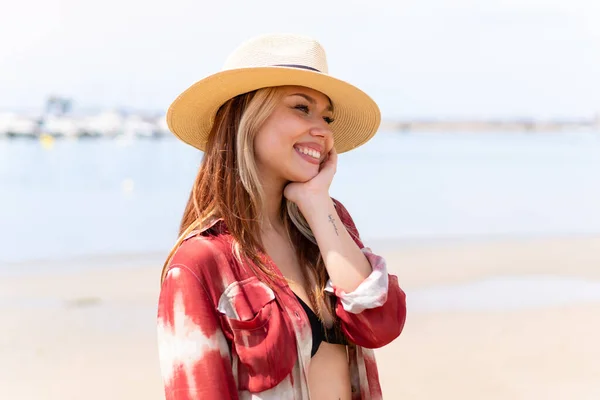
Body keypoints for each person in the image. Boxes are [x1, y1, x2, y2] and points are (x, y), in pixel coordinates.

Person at [156, 33, 407, 400]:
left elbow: (379, 324)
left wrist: (318, 203)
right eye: (301, 108)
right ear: (248, 117)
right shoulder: (200, 263)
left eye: (327, 116)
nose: (322, 130)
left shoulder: (326, 223)